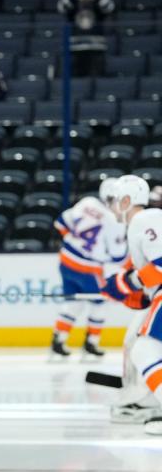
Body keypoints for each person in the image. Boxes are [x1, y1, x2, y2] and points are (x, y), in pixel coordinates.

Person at [98, 175, 162, 435]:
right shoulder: (142, 222)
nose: (112, 206)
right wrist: (120, 284)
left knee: (143, 350)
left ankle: (143, 400)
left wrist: (127, 283)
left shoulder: (143, 219)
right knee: (139, 346)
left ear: (127, 200)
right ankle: (144, 400)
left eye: (115, 200)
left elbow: (159, 266)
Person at [51, 177, 127, 357]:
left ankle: (59, 338)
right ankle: (91, 342)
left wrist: (75, 244)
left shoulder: (88, 202)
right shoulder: (115, 220)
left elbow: (60, 223)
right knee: (100, 302)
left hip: (66, 260)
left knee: (73, 301)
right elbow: (118, 257)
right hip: (88, 268)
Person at [57, 0, 115, 77]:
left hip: (96, 47)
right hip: (75, 47)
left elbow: (109, 8)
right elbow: (62, 8)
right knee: (75, 81)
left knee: (95, 79)